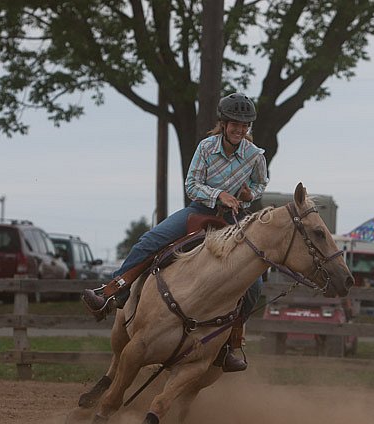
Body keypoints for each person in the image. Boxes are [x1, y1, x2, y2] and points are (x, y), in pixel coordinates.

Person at [81, 92, 269, 372]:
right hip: (198, 210)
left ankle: (231, 342)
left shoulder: (255, 156)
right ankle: (113, 291)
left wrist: (248, 194)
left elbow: (261, 184)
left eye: (244, 125)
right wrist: (219, 195)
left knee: (253, 283)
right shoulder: (206, 148)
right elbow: (192, 184)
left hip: (233, 217)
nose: (239, 130)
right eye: (234, 124)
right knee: (152, 239)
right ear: (224, 123)